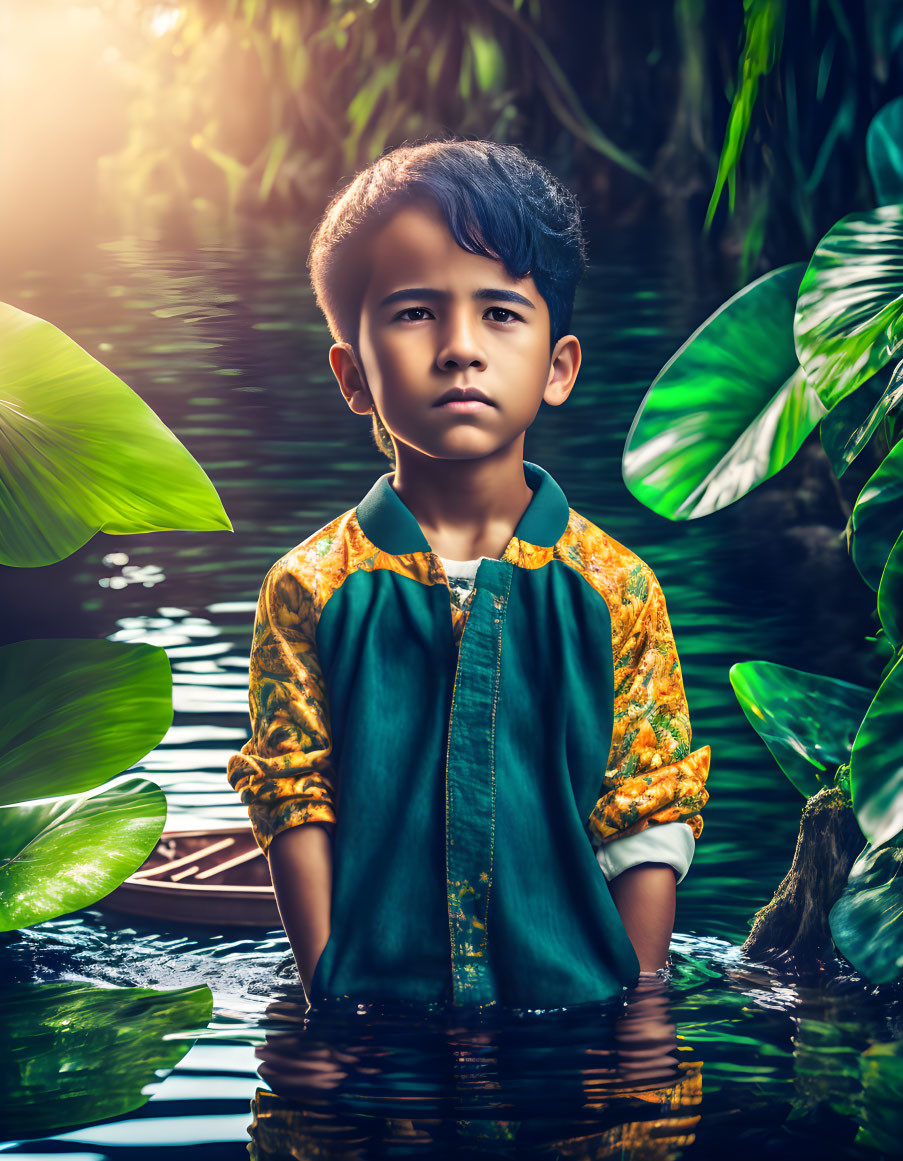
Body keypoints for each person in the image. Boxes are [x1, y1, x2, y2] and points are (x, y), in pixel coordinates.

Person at [226, 137, 711, 1011]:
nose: (459, 349)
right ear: (353, 375)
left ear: (558, 366)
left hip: (579, 1014)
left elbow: (646, 809)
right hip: (373, 1019)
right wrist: (325, 989)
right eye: (414, 313)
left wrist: (641, 1011)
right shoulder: (308, 586)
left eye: (499, 312)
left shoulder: (617, 587)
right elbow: (294, 797)